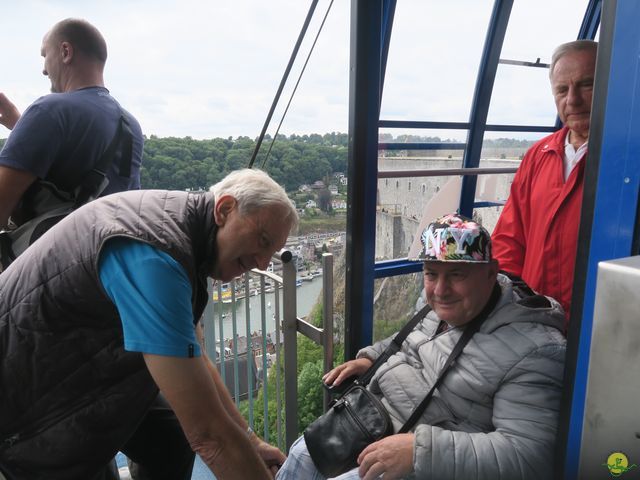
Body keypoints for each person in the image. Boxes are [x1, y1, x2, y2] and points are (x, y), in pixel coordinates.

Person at [0, 169, 295, 480]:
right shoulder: (156, 255)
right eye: (262, 241)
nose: (263, 263)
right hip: (26, 399)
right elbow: (209, 435)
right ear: (224, 210)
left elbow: (197, 362)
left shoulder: (180, 234)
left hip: (82, 367)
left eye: (271, 253)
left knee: (170, 441)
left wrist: (250, 440)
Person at [277, 213, 566, 480]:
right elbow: (410, 341)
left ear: (491, 273)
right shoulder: (440, 308)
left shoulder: (537, 349)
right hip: (380, 419)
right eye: (431, 274)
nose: (440, 290)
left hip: (432, 460)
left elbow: (530, 456)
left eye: (457, 274)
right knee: (301, 454)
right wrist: (371, 358)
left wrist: (420, 452)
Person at [491, 40, 598, 326]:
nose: (572, 100)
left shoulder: (624, 158)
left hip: (599, 321)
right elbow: (510, 238)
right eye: (562, 90)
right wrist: (502, 305)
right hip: (534, 317)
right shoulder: (538, 155)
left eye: (587, 84)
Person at [0, 17, 143, 230]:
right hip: (99, 257)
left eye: (45, 55)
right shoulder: (131, 125)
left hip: (46, 259)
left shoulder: (49, 110)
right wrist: (21, 125)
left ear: (65, 52)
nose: (44, 70)